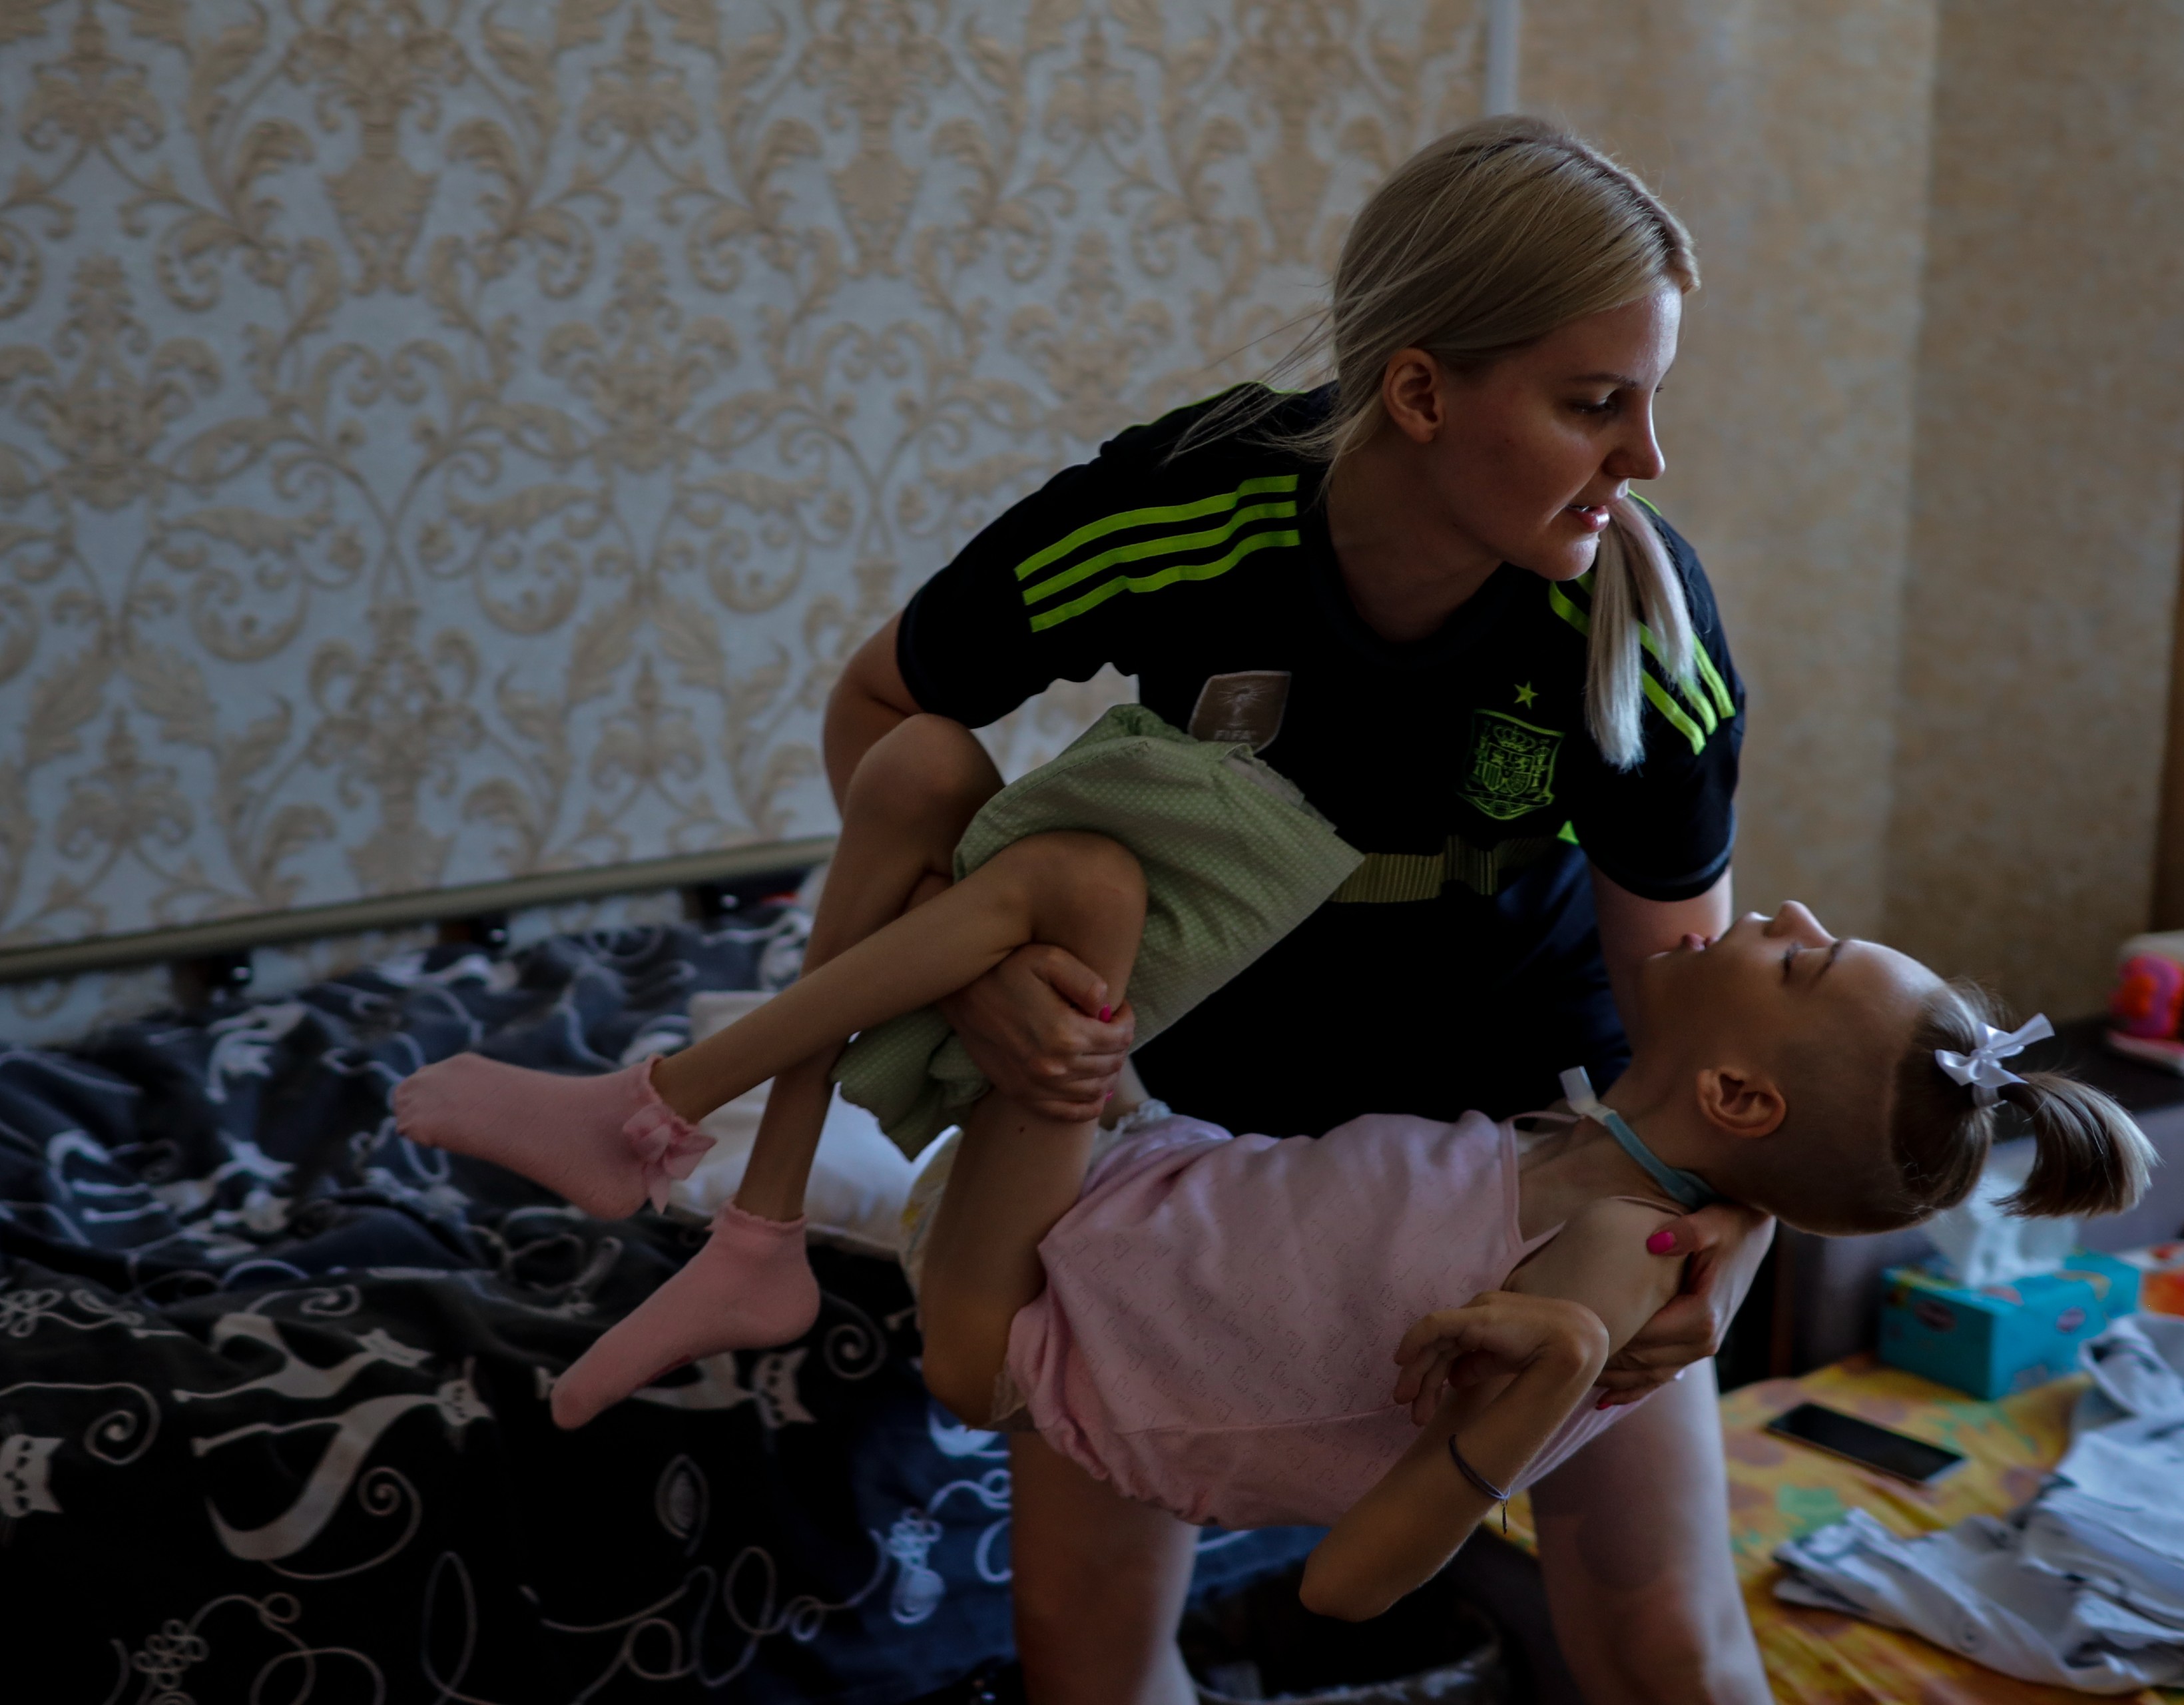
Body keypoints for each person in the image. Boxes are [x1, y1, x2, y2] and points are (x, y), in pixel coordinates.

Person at [433, 113, 1774, 1701]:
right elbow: (889, 712)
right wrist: (979, 967)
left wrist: (1705, 1272)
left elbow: (1698, 1029)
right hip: (1194, 1137)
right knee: (1087, 1662)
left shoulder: (1638, 613)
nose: (1647, 460)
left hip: (1524, 1137)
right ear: (1421, 391)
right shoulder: (1188, 509)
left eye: (1652, 402)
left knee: (1669, 1641)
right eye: (1594, 403)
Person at [395, 707, 2154, 1696]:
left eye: (1805, 955)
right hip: (1143, 1176)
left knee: (1060, 864)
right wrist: (1751, 1218)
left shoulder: (1615, 1262)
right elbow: (1719, 1173)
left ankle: (662, 1128)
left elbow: (1357, 1585)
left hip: (1024, 1312)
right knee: (925, 777)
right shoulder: (1665, 1183)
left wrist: (1531, 1388)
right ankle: (734, 1179)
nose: (1774, 917)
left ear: (1748, 1088)